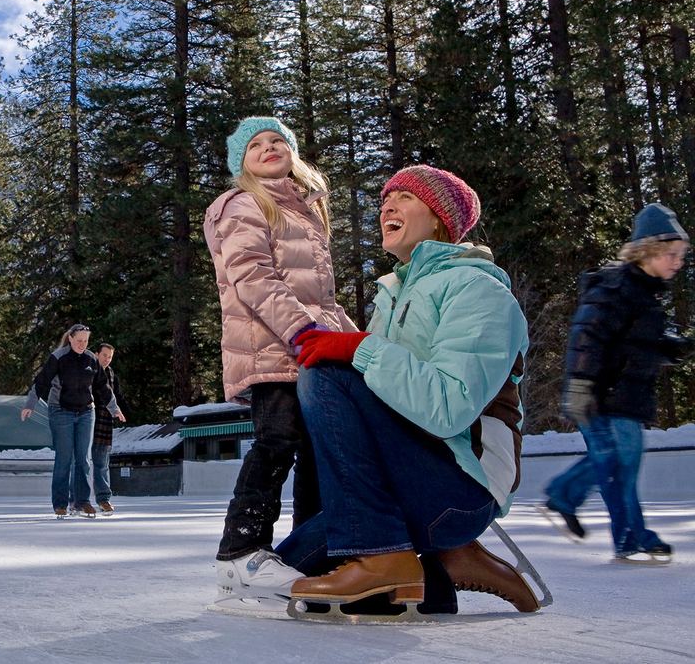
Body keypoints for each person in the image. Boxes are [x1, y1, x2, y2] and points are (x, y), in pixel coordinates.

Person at [275, 165, 540, 615]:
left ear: (439, 217)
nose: (388, 206)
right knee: (285, 574)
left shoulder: (479, 290)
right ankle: (445, 563)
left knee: (327, 375)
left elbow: (448, 408)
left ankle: (388, 555)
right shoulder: (392, 297)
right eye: (385, 200)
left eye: (406, 197)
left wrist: (360, 348)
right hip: (408, 483)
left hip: (462, 489)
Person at [204, 116, 354, 597]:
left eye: (278, 141)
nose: (269, 148)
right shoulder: (243, 204)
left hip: (310, 348)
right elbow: (252, 277)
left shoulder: (305, 212)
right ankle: (240, 554)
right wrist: (302, 331)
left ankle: (315, 555)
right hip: (270, 347)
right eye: (255, 146)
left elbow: (324, 301)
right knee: (277, 440)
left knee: (318, 453)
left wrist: (359, 343)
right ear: (241, 165)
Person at [541, 203, 688, 564]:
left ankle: (629, 536)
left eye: (682, 255)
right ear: (648, 250)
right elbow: (586, 334)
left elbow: (634, 344)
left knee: (622, 466)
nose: (678, 262)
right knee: (616, 460)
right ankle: (567, 498)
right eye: (672, 254)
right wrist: (579, 384)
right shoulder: (617, 286)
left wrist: (670, 348)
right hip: (600, 394)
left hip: (625, 396)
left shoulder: (647, 293)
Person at [22, 324, 123, 518]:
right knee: (64, 459)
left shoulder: (91, 359)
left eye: (85, 341)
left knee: (84, 459)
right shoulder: (59, 357)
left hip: (86, 412)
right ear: (70, 338)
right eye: (79, 340)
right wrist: (30, 404)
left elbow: (103, 386)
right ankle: (60, 504)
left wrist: (114, 409)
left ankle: (82, 502)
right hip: (61, 411)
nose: (82, 344)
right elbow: (41, 381)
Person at [91, 343, 128, 515]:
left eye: (110, 356)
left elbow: (117, 396)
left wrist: (125, 411)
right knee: (79, 463)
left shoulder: (112, 375)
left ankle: (104, 499)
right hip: (85, 419)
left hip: (104, 425)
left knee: (102, 463)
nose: (107, 359)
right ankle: (76, 500)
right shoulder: (87, 371)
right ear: (96, 354)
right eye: (104, 355)